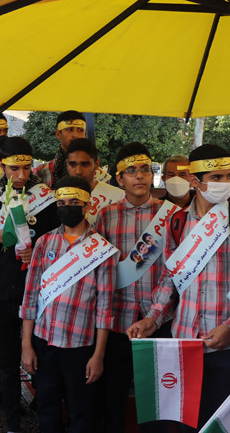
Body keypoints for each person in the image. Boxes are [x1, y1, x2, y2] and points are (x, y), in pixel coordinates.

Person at [128, 144, 230, 431]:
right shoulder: (177, 222)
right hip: (183, 346)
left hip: (229, 347)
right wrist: (152, 318)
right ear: (194, 180)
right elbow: (169, 277)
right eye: (216, 177)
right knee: (184, 423)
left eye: (228, 176)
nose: (224, 183)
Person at [20, 175, 114, 433]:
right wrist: (26, 344)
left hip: (80, 345)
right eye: (61, 203)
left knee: (80, 410)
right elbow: (30, 295)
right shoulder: (44, 242)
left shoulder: (101, 248)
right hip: (44, 340)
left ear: (87, 205)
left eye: (74, 202)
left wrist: (98, 355)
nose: (67, 207)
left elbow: (105, 307)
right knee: (46, 406)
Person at [93, 142, 170, 433]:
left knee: (157, 396)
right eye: (131, 170)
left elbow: (175, 271)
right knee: (112, 394)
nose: (139, 176)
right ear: (119, 178)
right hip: (117, 319)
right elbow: (99, 270)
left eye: (145, 169)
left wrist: (156, 315)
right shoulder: (106, 216)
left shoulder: (170, 216)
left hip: (158, 319)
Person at [0, 137, 59, 433]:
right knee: (7, 361)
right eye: (13, 169)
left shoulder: (44, 196)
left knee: (41, 358)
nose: (20, 175)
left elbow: (58, 237)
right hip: (2, 289)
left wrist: (38, 251)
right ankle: (12, 422)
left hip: (40, 290)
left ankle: (44, 414)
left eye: (26, 168)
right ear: (2, 166)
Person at [64, 138, 124, 223]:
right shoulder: (57, 199)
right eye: (72, 164)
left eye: (85, 164)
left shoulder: (119, 197)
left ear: (96, 164)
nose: (78, 171)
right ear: (66, 164)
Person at [33, 111, 87, 187]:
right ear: (58, 134)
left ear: (85, 135)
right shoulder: (41, 173)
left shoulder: (95, 173)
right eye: (70, 129)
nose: (75, 135)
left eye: (80, 130)